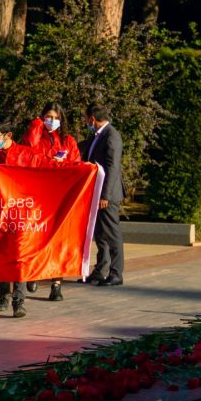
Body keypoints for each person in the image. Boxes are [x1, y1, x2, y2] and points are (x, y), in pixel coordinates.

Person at [0, 117, 51, 318]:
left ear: (8, 135)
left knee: (19, 257)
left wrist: (80, 166)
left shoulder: (27, 155)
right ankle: (4, 295)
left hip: (21, 215)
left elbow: (49, 168)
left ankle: (19, 301)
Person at [22, 102, 82, 301]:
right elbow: (28, 151)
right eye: (48, 116)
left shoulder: (68, 140)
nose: (52, 121)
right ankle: (34, 273)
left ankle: (56, 283)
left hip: (60, 197)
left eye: (56, 117)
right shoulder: (35, 136)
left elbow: (76, 164)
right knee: (37, 238)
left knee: (59, 241)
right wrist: (37, 124)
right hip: (37, 195)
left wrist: (61, 164)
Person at [82, 103, 124, 287]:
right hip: (97, 193)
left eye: (86, 119)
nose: (85, 122)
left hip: (108, 194)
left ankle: (116, 273)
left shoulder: (111, 135)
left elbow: (112, 167)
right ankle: (100, 270)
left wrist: (105, 195)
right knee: (100, 233)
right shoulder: (97, 136)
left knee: (112, 233)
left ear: (92, 118)